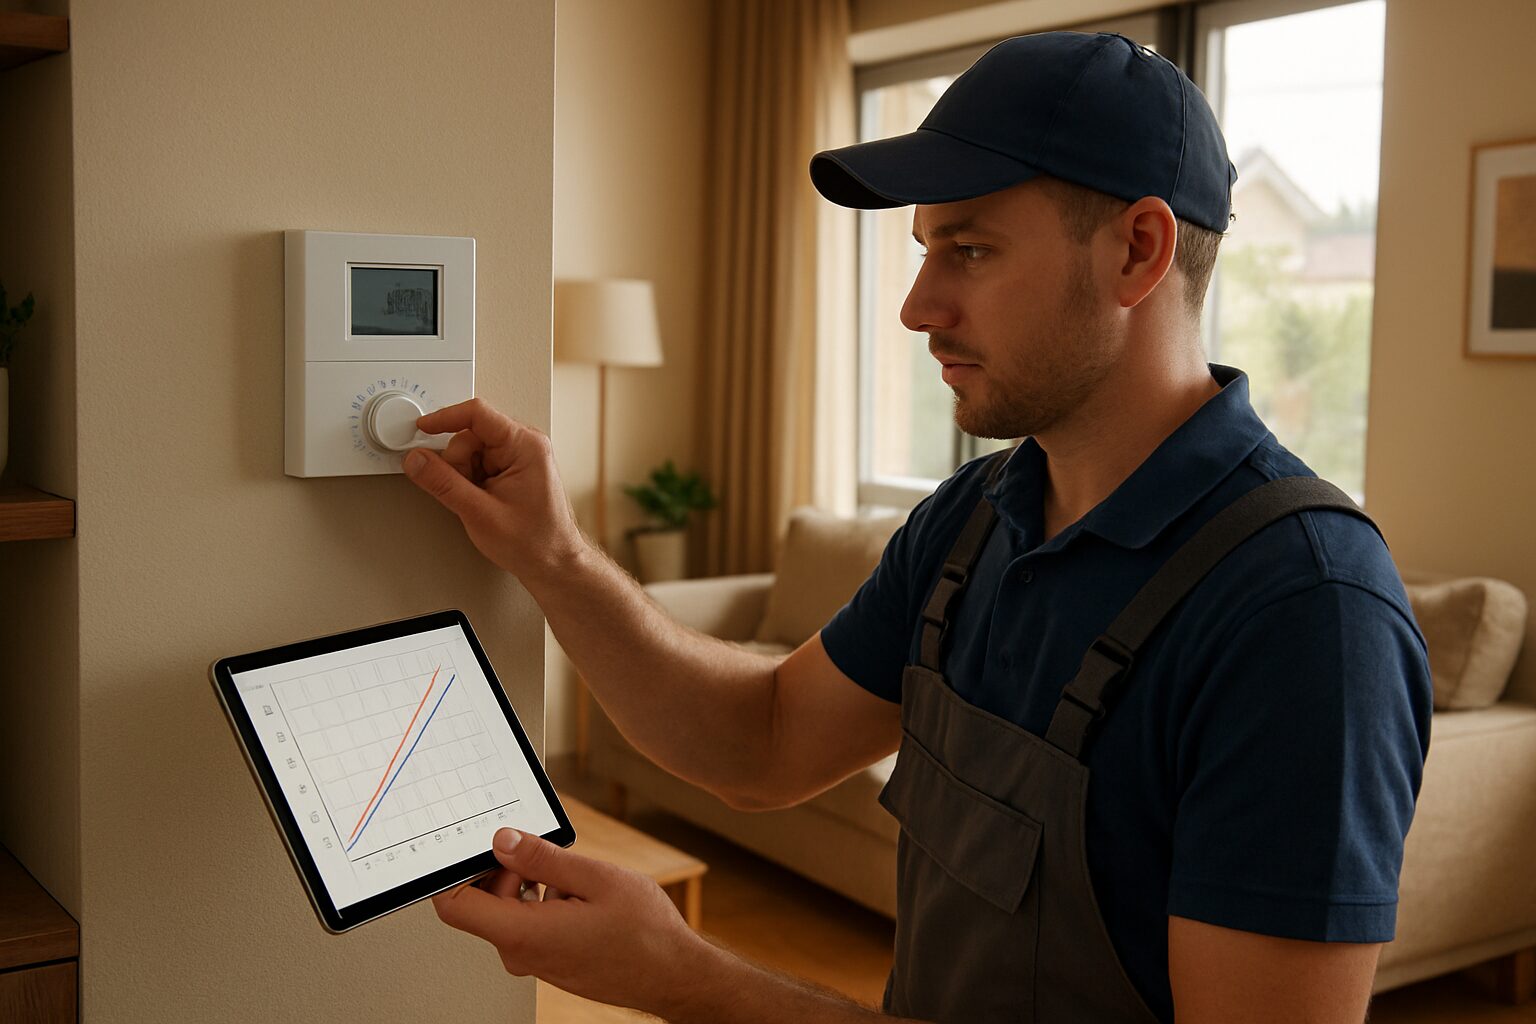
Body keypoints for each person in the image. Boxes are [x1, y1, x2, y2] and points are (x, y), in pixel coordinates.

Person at [402, 30, 1432, 1024]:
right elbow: (761, 744)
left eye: (969, 248)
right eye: (925, 247)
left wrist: (690, 981)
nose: (915, 305)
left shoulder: (1304, 615)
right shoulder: (972, 520)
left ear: (1139, 251)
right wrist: (552, 554)